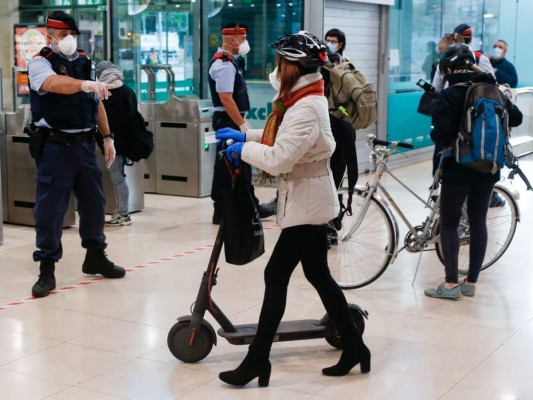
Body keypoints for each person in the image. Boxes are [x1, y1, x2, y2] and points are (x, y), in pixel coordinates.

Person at [215, 31, 370, 387]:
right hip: (308, 197)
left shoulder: (305, 107)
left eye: (280, 62)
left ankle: (257, 361)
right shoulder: (300, 99)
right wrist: (247, 136)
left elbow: (280, 159)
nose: (276, 68)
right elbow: (282, 141)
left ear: (294, 66)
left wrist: (244, 150)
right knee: (317, 273)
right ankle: (356, 348)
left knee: (276, 275)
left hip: (308, 204)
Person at [27, 11, 126, 298]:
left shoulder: (86, 63)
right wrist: (84, 85)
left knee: (95, 204)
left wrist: (107, 137)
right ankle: (47, 267)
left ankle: (95, 255)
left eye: (72, 35)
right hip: (55, 148)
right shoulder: (40, 63)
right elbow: (52, 84)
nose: (69, 40)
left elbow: (96, 103)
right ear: (50, 36)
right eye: (63, 35)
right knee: (51, 210)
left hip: (84, 146)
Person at [425, 43, 522, 300]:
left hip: (458, 167)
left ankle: (449, 285)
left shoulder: (450, 94)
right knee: (478, 222)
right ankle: (471, 283)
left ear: (447, 69)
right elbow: (517, 118)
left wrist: (437, 132)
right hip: (489, 166)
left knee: (449, 223)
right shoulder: (492, 90)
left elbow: (441, 135)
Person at [208, 22, 276, 225]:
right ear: (231, 39)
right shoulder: (224, 64)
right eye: (243, 38)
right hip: (227, 121)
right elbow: (226, 99)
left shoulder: (231, 61)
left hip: (230, 120)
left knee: (237, 164)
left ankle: (246, 206)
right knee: (229, 166)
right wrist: (242, 124)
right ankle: (224, 210)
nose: (245, 42)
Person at [96, 61, 133, 226]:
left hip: (110, 142)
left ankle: (123, 214)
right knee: (120, 176)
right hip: (125, 140)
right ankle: (122, 212)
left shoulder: (104, 93)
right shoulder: (127, 90)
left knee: (117, 177)